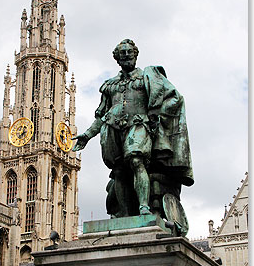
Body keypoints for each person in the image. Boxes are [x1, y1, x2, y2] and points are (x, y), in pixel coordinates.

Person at [72, 39, 194, 219]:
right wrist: (88, 135)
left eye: (130, 52)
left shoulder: (148, 77)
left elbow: (176, 98)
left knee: (137, 161)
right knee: (119, 171)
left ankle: (144, 207)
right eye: (123, 53)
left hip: (138, 124)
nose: (127, 55)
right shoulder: (110, 85)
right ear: (117, 58)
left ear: (136, 55)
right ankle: (125, 212)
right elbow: (101, 115)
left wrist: (156, 114)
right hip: (113, 128)